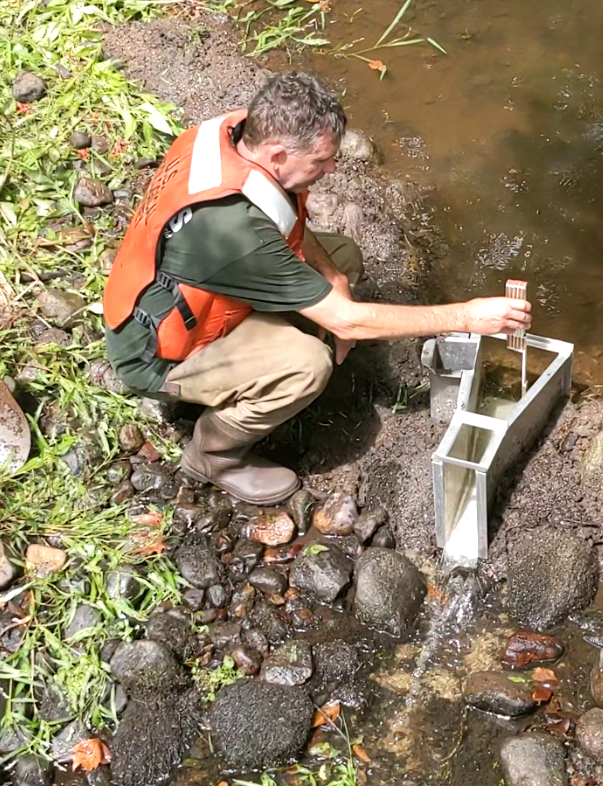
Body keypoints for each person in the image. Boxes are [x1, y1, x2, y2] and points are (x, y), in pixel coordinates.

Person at [103, 72, 530, 506]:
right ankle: (213, 456)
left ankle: (265, 369)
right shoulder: (232, 231)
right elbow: (347, 316)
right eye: (322, 161)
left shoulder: (232, 136)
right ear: (278, 153)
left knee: (341, 258)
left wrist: (335, 280)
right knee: (307, 365)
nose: (332, 169)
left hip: (201, 294)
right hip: (161, 353)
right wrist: (467, 316)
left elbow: (282, 218)